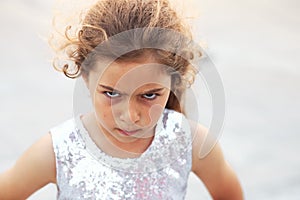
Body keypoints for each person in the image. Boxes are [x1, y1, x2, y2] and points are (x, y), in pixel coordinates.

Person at [0, 0, 243, 199]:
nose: (129, 116)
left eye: (149, 95)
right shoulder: (58, 152)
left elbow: (228, 193)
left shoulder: (190, 143)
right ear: (86, 77)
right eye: (111, 93)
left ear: (172, 82)